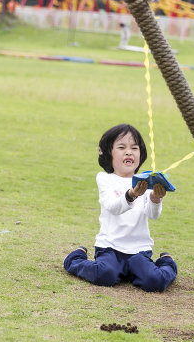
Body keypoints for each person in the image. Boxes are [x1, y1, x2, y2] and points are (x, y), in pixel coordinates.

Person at [63, 124, 177, 292]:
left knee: (154, 281)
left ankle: (166, 262)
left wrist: (155, 198)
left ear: (141, 154)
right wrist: (131, 194)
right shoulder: (104, 179)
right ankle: (76, 258)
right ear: (109, 154)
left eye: (134, 148)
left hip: (139, 250)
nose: (129, 152)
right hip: (110, 247)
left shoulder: (146, 181)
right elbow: (112, 207)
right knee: (104, 275)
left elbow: (153, 215)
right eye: (121, 147)